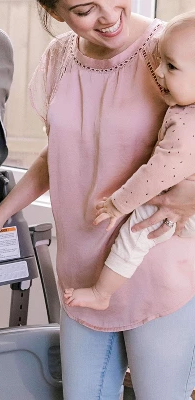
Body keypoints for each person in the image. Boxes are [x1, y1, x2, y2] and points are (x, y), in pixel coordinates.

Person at [0, 1, 195, 398]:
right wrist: (1, 213)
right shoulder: (59, 59)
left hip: (156, 273)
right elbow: (59, 152)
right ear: (56, 13)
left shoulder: (172, 51)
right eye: (85, 9)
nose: (108, 16)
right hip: (82, 274)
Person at [64, 10, 195, 312]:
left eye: (171, 66)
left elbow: (156, 174)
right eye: (161, 60)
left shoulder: (188, 127)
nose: (158, 71)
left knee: (136, 233)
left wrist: (118, 204)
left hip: (179, 206)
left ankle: (102, 292)